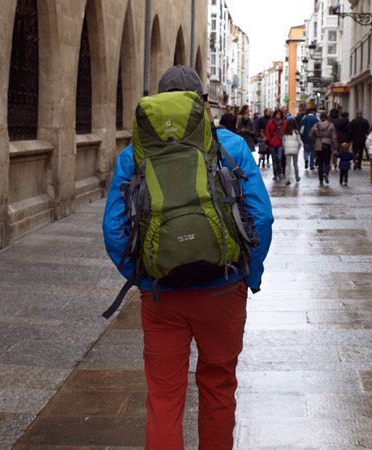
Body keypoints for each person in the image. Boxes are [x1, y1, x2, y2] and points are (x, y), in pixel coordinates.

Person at [102, 66, 273, 450]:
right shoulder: (231, 146)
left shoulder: (134, 155)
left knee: (163, 397)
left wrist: (144, 275)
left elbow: (113, 230)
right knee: (218, 387)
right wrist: (249, 274)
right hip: (223, 289)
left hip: (162, 295)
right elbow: (261, 217)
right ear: (203, 103)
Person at [310, 111, 338, 186]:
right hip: (327, 144)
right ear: (326, 117)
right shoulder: (331, 125)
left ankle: (320, 179)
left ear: (320, 117)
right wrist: (335, 147)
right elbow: (334, 137)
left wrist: (315, 139)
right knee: (327, 161)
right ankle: (325, 173)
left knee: (320, 162)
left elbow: (311, 134)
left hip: (318, 145)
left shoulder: (316, 125)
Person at [265, 109, 286, 181]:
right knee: (274, 159)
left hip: (280, 143)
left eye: (279, 114)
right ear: (275, 115)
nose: (278, 116)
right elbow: (267, 131)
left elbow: (286, 131)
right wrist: (269, 139)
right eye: (277, 114)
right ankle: (275, 174)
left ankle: (280, 173)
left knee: (279, 158)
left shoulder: (284, 123)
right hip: (272, 143)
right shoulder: (271, 122)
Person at [282, 118, 302, 186]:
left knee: (287, 165)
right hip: (295, 150)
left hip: (287, 150)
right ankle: (297, 177)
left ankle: (287, 179)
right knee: (295, 164)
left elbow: (283, 142)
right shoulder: (296, 132)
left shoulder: (285, 132)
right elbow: (299, 142)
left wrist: (285, 148)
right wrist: (298, 148)